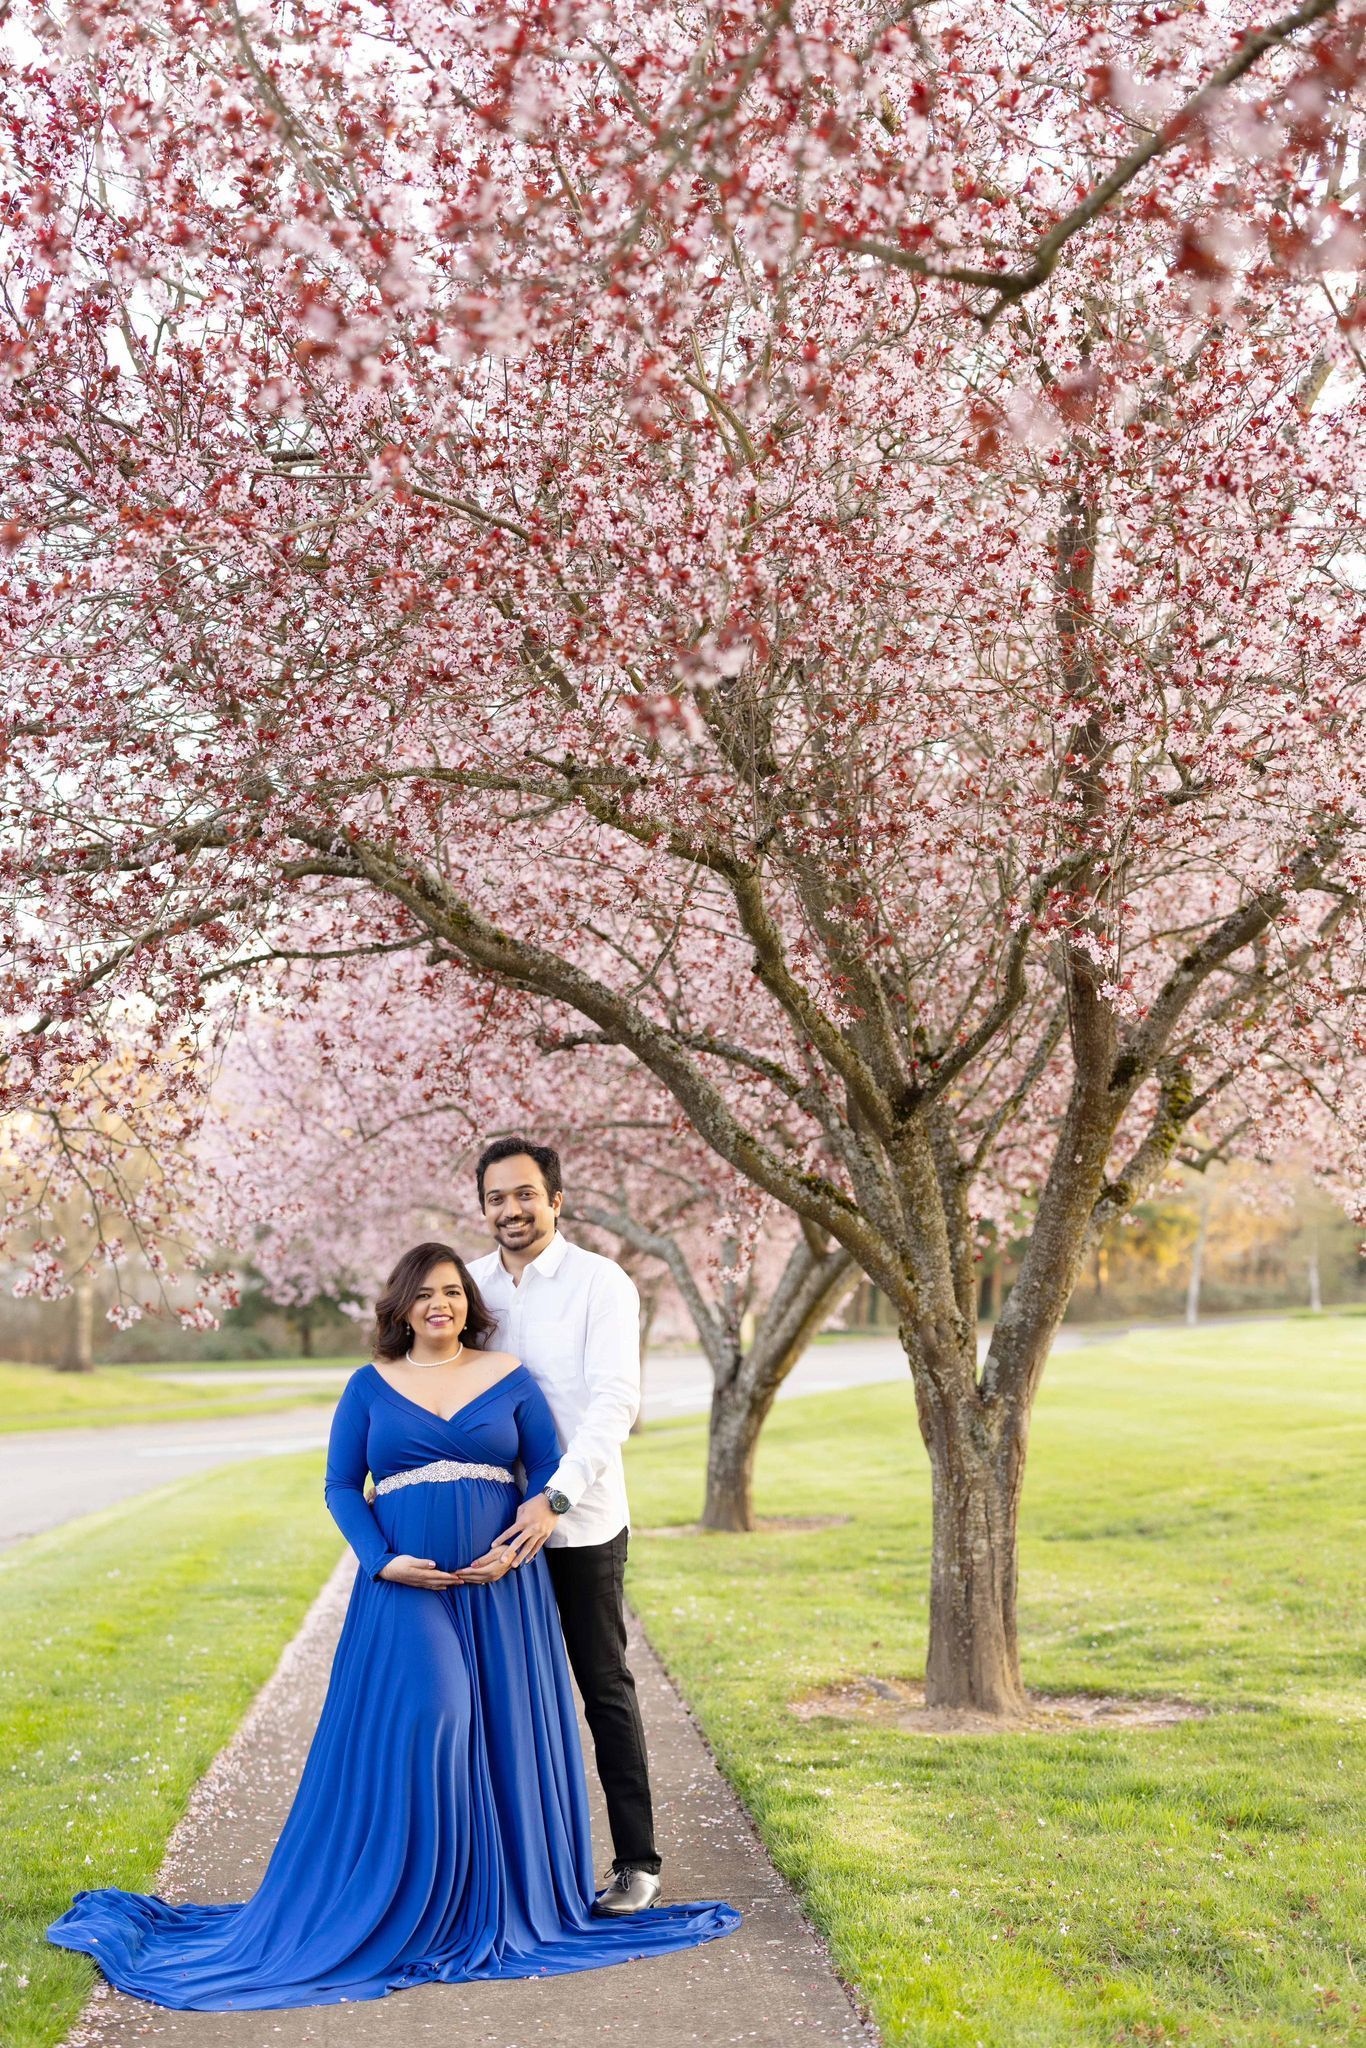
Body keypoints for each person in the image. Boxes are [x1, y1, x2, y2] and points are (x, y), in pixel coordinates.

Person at [46, 1244, 738, 2011]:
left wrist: (517, 1547)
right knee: (437, 1710)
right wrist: (380, 1560)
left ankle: (484, 1894)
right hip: (405, 1583)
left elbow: (544, 1472)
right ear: (401, 1304)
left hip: (496, 1583)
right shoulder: (369, 1386)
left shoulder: (508, 1377)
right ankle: (412, 1898)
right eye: (425, 1293)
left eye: (452, 1292)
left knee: (498, 1727)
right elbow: (342, 1484)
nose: (439, 1304)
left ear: (468, 1304)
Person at [464, 1136, 661, 1917]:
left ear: (556, 1200)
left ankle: (637, 1862)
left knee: (601, 1686)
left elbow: (615, 1402)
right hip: (491, 1528)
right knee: (497, 1693)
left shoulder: (599, 1285)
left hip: (577, 1523)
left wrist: (555, 1498)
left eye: (524, 1195)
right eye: (495, 1198)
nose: (510, 1210)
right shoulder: (471, 1288)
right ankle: (512, 1868)